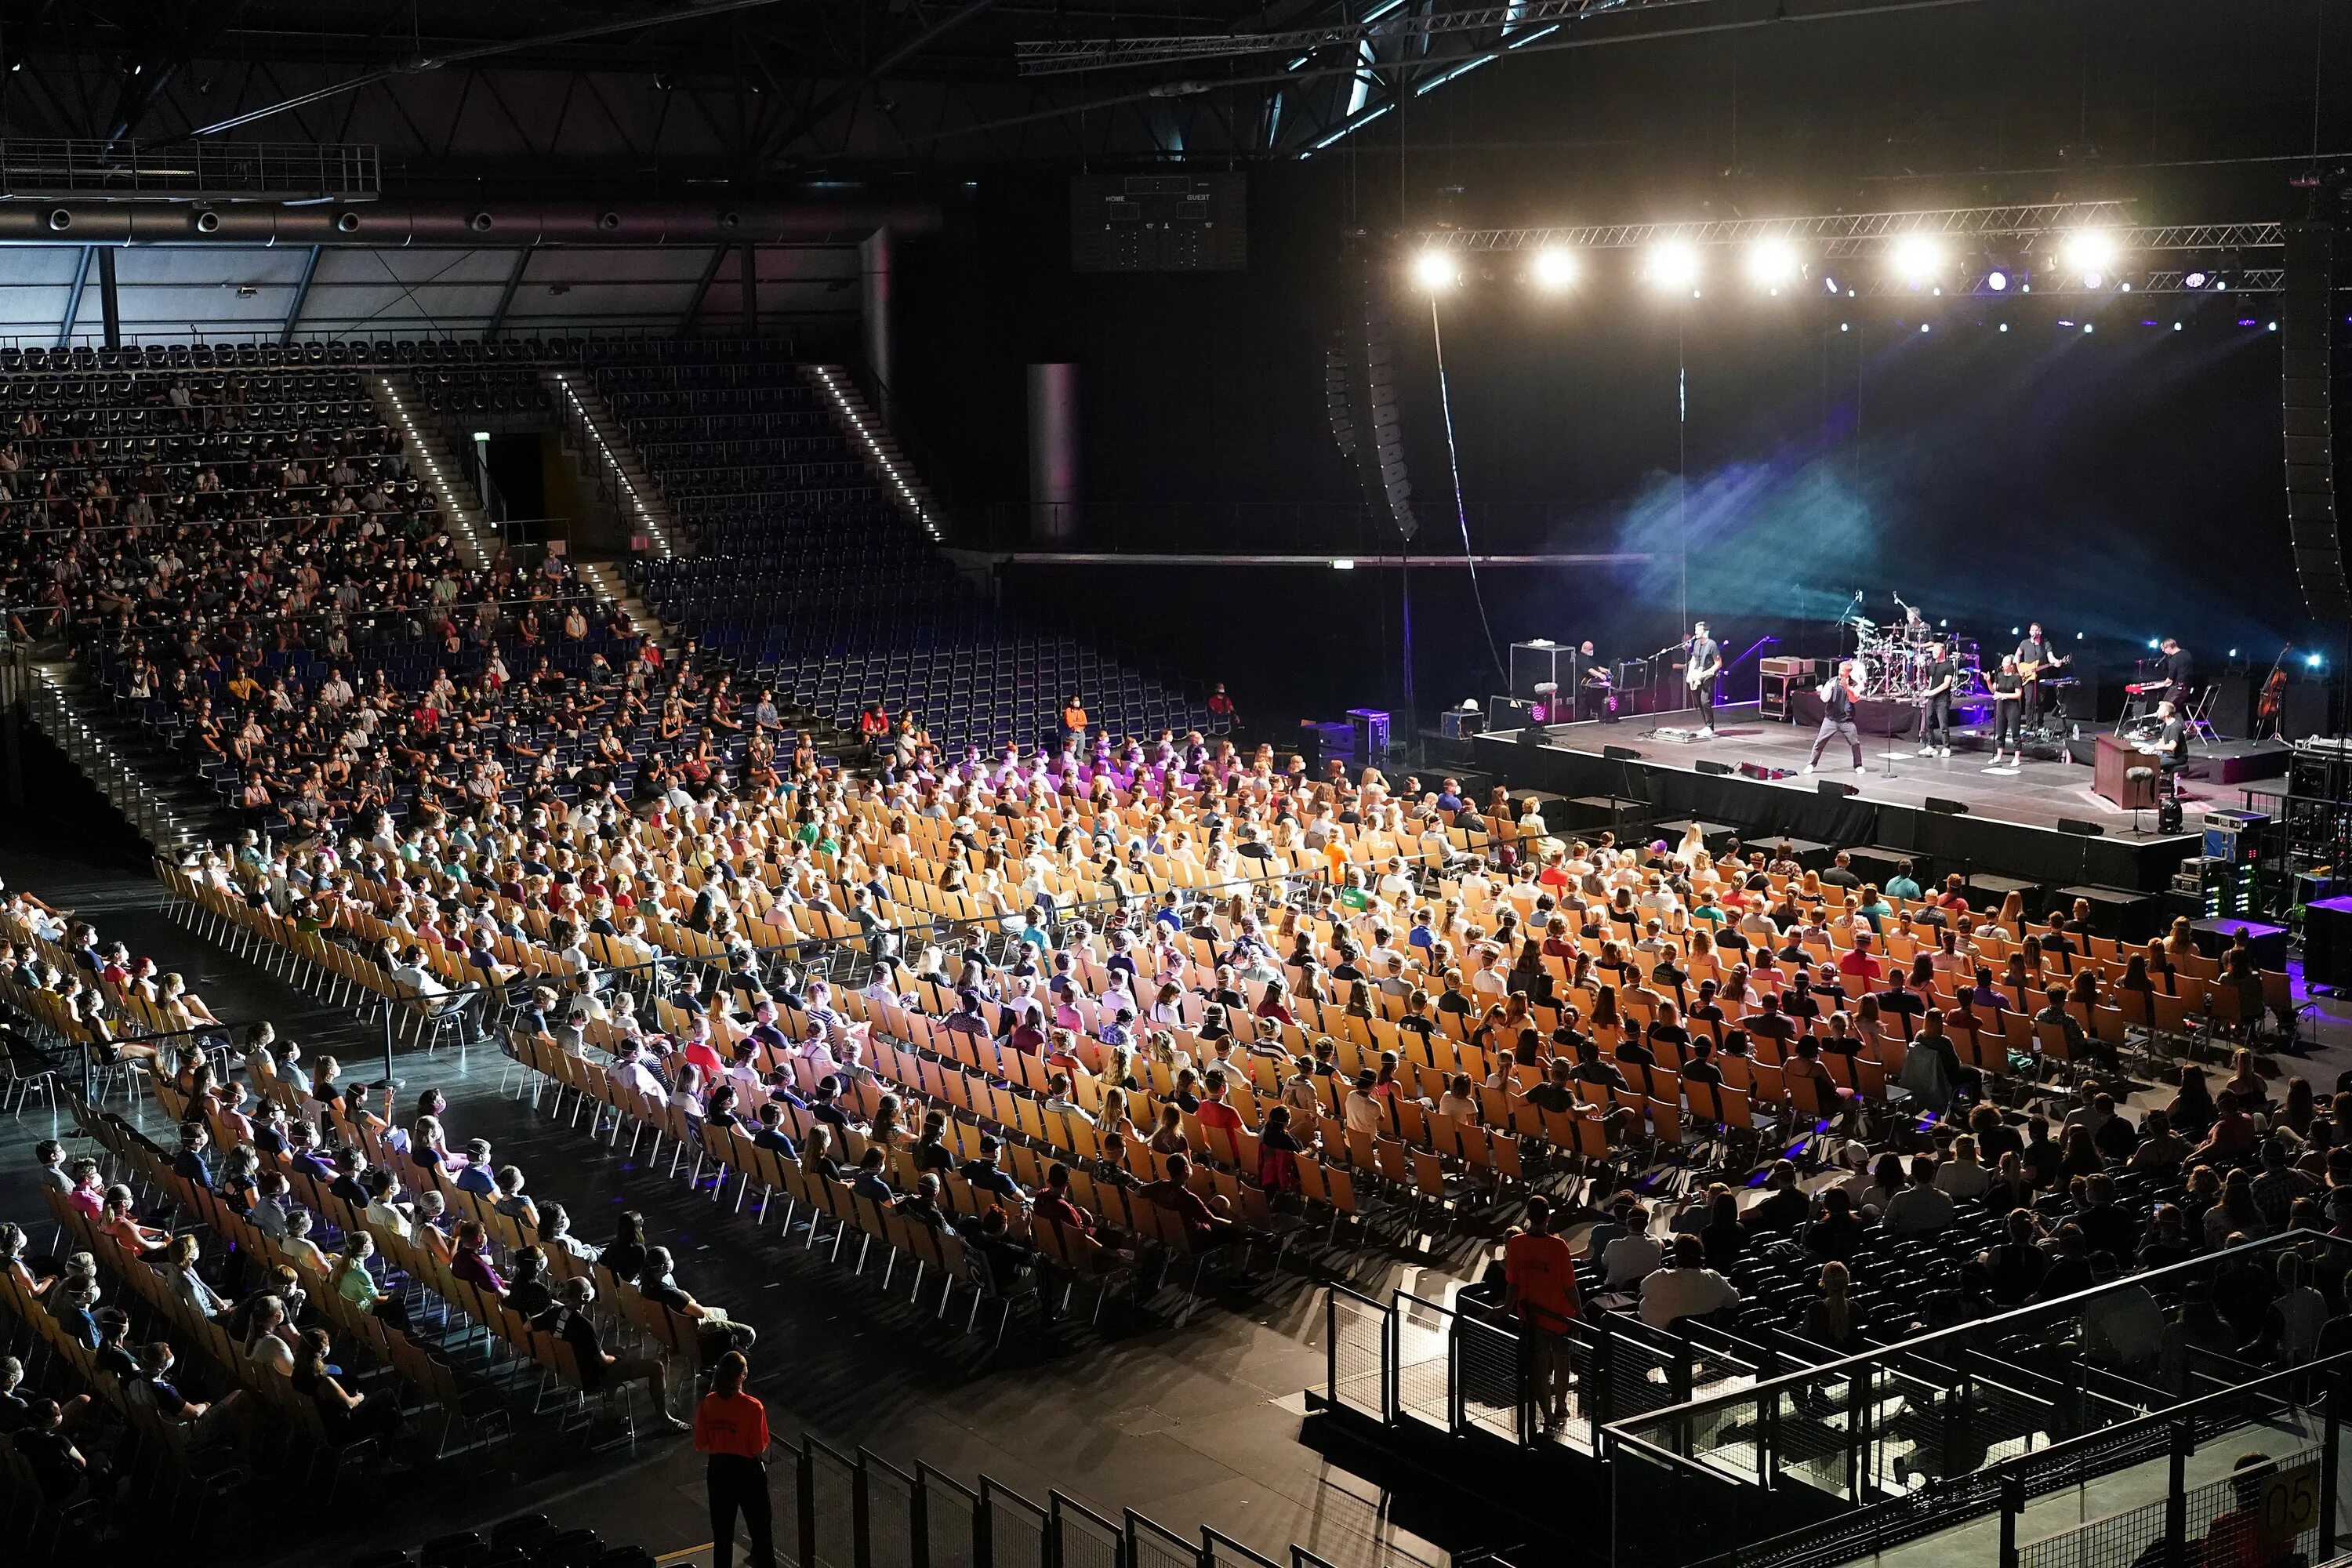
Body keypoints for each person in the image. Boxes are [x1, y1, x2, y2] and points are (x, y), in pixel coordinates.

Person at [539, 1276, 688, 1432]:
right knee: (656, 1367)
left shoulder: (554, 1313)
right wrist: (615, 1359)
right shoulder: (584, 1326)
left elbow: (529, 1326)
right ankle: (664, 1417)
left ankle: (610, 1407)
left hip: (572, 1369)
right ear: (585, 1298)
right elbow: (604, 1362)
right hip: (592, 1376)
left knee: (619, 1351)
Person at [1503, 1193, 1581, 1430]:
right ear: (1548, 1218)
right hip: (1558, 1315)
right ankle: (1561, 1405)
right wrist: (1579, 1312)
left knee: (1539, 1366)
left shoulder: (1516, 1244)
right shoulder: (1559, 1246)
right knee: (1561, 1360)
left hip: (1532, 1317)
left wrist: (1506, 1308)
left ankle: (1547, 1415)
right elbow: (1570, 1286)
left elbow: (1513, 1283)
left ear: (1528, 1217)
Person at [698, 1350, 775, 1568]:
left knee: (722, 1535)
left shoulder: (709, 1402)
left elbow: (702, 1439)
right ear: (742, 1376)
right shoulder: (753, 1407)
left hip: (719, 1471)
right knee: (761, 1529)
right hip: (747, 1472)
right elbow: (757, 1446)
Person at [1638, 1233, 1738, 1329]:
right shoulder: (1714, 1279)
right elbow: (1734, 1301)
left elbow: (1643, 1289)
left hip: (1658, 1335)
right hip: (1699, 1339)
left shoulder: (1662, 1277)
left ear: (1676, 1255)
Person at [1802, 661, 1867, 775]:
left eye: (1843, 672)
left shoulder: (1855, 684)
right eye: (1840, 671)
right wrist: (1830, 689)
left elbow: (1854, 699)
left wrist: (1847, 688)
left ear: (1849, 673)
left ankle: (1858, 765)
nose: (1840, 674)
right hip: (1831, 719)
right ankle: (1811, 764)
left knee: (1855, 743)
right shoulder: (1832, 682)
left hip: (1846, 720)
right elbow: (1824, 699)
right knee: (1820, 742)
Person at [1915, 645, 1956, 758]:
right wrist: (1928, 692)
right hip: (1932, 699)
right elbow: (1932, 680)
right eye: (1933, 651)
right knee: (1928, 722)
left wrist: (1932, 692)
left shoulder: (1948, 666)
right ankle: (1931, 746)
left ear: (1942, 651)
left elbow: (1946, 684)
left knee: (1943, 724)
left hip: (1942, 699)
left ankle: (1946, 747)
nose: (1934, 653)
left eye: (1936, 650)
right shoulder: (1932, 665)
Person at [1985, 654, 2025, 768]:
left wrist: (2003, 694)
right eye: (2003, 662)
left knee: (2015, 733)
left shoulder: (2016, 678)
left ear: (2012, 665)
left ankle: (2017, 757)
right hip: (2001, 706)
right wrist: (1988, 681)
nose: (2003, 664)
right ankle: (1998, 756)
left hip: (2012, 707)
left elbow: (2018, 694)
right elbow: (1994, 690)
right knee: (2000, 732)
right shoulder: (2000, 675)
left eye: (2006, 662)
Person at [1686, 620, 1722, 739]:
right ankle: (1707, 726)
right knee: (1698, 702)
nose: (1696, 632)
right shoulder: (1696, 643)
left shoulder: (1712, 644)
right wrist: (1690, 674)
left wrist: (1707, 673)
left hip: (1708, 676)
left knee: (1705, 701)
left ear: (1706, 631)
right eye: (1695, 630)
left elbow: (1718, 663)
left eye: (1698, 630)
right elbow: (1694, 660)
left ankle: (1710, 728)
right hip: (1697, 676)